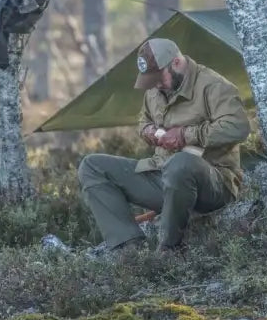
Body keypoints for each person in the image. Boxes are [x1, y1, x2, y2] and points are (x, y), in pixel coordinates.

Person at [78, 38, 251, 254]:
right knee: (92, 166)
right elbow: (143, 120)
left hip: (213, 184)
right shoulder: (154, 90)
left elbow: (238, 128)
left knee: (182, 163)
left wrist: (186, 135)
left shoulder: (214, 86)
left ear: (176, 63)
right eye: (151, 81)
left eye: (160, 78)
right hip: (163, 175)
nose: (156, 85)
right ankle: (127, 247)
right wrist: (148, 131)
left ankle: (169, 249)